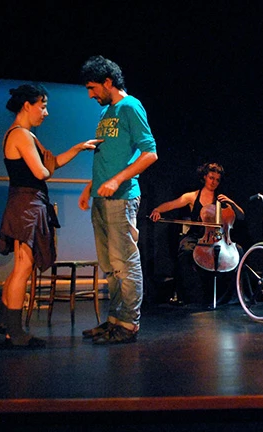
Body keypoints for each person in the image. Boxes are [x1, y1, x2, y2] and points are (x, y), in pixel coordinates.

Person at [0, 83, 101, 348]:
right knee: (23, 267)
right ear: (27, 105)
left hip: (28, 202)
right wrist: (44, 168)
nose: (46, 112)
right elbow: (41, 172)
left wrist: (78, 148)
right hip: (26, 204)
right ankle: (16, 332)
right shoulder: (20, 135)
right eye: (42, 106)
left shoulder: (24, 135)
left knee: (20, 267)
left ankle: (6, 324)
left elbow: (50, 163)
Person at [78, 55, 158, 344]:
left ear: (108, 82)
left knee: (125, 262)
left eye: (92, 88)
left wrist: (117, 180)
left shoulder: (130, 106)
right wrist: (91, 185)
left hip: (121, 198)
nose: (90, 95)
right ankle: (114, 319)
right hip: (101, 197)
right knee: (110, 265)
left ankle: (128, 324)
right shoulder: (105, 112)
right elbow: (108, 155)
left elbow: (150, 152)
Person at [149, 162, 245, 308]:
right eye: (211, 178)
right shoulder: (192, 196)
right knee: (186, 251)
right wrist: (157, 210)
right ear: (205, 177)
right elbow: (172, 204)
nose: (214, 182)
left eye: (217, 180)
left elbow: (241, 216)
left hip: (220, 239)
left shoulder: (221, 199)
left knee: (238, 251)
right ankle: (192, 298)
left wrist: (232, 203)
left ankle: (229, 297)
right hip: (197, 236)